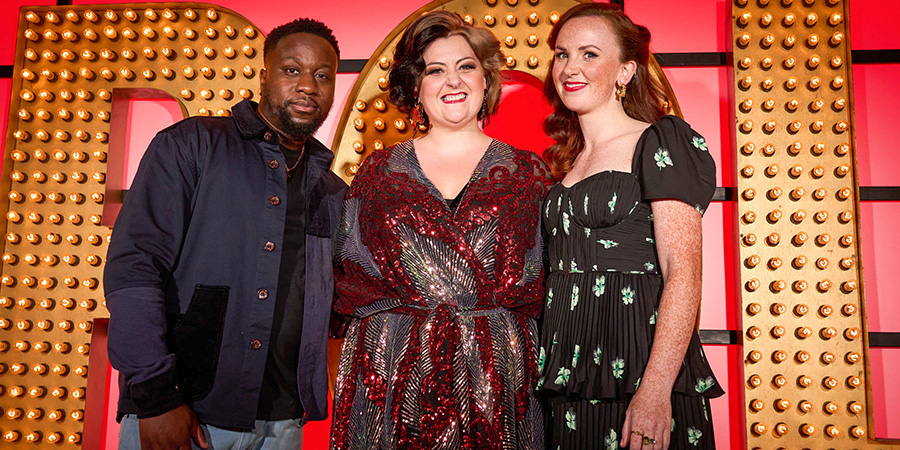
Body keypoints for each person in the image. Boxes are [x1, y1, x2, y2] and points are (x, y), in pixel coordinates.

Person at [104, 18, 348, 450]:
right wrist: (155, 398)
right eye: (292, 70)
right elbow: (135, 267)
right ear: (263, 76)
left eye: (322, 75)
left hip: (284, 423)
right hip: (185, 412)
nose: (308, 85)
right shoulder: (192, 144)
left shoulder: (331, 191)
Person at [329, 10, 552, 450]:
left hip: (497, 378)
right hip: (391, 373)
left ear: (486, 81)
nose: (454, 81)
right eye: (436, 70)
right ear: (416, 86)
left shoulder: (530, 173)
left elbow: (551, 286)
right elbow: (349, 279)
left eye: (466, 67)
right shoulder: (377, 172)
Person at [536, 3, 723, 449]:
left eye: (589, 54)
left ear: (625, 71)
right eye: (562, 54)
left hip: (638, 364)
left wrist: (656, 390)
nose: (570, 68)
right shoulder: (562, 163)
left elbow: (684, 271)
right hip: (568, 369)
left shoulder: (660, 140)